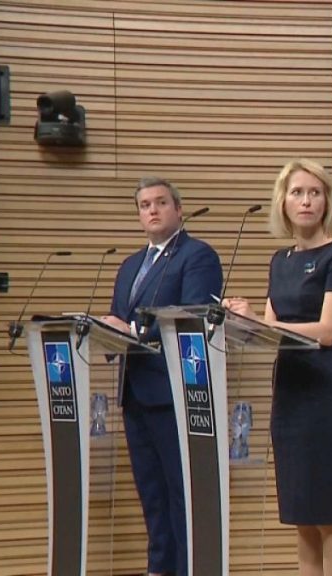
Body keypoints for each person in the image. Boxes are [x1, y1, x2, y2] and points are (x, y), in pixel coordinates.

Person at [223, 159, 332, 576]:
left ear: (327, 202)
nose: (306, 201)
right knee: (302, 514)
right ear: (282, 202)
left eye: (315, 193)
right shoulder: (279, 260)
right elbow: (269, 330)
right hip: (289, 396)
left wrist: (263, 323)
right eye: (297, 192)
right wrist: (240, 320)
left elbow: (327, 331)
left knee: (329, 512)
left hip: (325, 396)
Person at [101, 177, 223, 576]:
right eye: (143, 205)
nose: (151, 210)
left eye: (160, 203)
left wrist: (132, 332)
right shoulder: (129, 265)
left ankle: (189, 568)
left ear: (178, 209)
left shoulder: (197, 256)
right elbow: (119, 319)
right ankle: (159, 569)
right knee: (151, 494)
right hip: (133, 392)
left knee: (180, 493)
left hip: (175, 393)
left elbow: (191, 317)